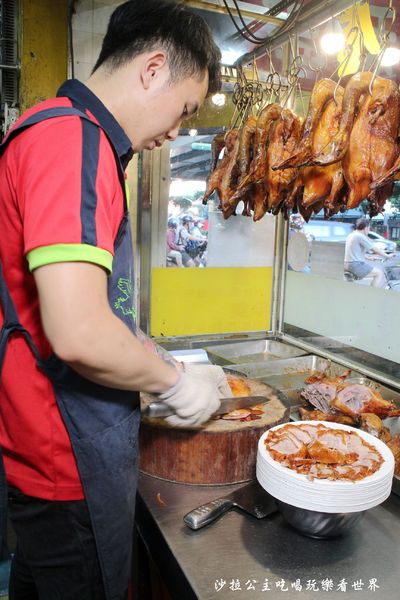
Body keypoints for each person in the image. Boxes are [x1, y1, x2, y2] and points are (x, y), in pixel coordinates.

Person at [0, 2, 228, 599]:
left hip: (49, 449)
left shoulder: (61, 130)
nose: (178, 131)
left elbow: (83, 304)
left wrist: (146, 357)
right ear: (153, 68)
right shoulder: (72, 140)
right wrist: (175, 380)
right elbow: (76, 330)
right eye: (183, 109)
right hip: (65, 456)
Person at [344, 217, 395, 287]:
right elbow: (374, 249)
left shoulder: (351, 234)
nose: (368, 230)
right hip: (355, 265)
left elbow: (353, 251)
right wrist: (387, 256)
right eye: (369, 228)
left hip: (346, 265)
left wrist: (367, 257)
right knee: (379, 273)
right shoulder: (360, 236)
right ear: (365, 228)